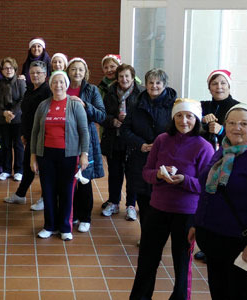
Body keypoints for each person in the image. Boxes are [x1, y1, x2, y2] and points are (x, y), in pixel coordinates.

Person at [193, 104, 247, 300]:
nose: (236, 127)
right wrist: (196, 223)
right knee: (219, 292)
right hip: (213, 238)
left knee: (241, 295)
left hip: (241, 243)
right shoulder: (224, 150)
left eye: (244, 123)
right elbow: (207, 192)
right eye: (231, 123)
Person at [129, 98, 214, 300]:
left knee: (182, 263)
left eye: (189, 116)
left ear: (197, 119)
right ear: (173, 117)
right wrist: (158, 175)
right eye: (179, 115)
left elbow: (207, 185)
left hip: (186, 214)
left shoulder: (204, 147)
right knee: (147, 260)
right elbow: (146, 172)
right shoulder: (162, 140)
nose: (184, 121)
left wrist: (184, 180)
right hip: (157, 208)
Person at [30, 71, 90, 241]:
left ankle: (65, 226)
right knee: (48, 190)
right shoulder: (43, 105)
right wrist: (33, 157)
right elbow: (35, 132)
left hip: (69, 155)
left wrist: (84, 155)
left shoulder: (75, 105)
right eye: (55, 82)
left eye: (61, 82)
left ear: (66, 84)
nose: (58, 85)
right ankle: (49, 226)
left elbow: (84, 132)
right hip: (46, 154)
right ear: (50, 85)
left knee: (66, 191)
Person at [193, 69, 240, 262]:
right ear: (209, 87)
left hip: (228, 163)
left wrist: (222, 131)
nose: (219, 87)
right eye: (214, 84)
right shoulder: (203, 106)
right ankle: (206, 243)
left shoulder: (237, 108)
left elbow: (243, 135)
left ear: (229, 86)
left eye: (222, 83)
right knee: (205, 200)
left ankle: (222, 242)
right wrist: (201, 122)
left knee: (222, 200)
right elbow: (191, 127)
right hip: (206, 161)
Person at [121, 68, 177, 227]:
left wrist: (162, 145)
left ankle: (160, 233)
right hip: (141, 157)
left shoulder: (174, 105)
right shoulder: (135, 103)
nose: (154, 86)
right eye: (150, 82)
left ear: (164, 84)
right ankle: (146, 234)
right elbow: (125, 129)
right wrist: (141, 145)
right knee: (144, 198)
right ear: (145, 84)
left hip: (165, 157)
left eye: (158, 82)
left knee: (162, 199)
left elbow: (179, 131)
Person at [66, 58, 106, 233]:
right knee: (69, 178)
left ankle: (85, 217)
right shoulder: (62, 87)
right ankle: (73, 213)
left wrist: (85, 105)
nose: (76, 73)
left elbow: (101, 115)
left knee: (84, 178)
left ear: (85, 72)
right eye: (73, 69)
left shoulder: (92, 90)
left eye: (80, 70)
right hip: (66, 139)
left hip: (86, 140)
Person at [4, 61, 51, 206]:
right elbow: (26, 114)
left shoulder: (48, 91)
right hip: (30, 135)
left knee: (43, 168)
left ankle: (45, 198)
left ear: (45, 74)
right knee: (28, 165)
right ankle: (20, 194)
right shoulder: (30, 89)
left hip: (43, 136)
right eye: (32, 73)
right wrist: (24, 134)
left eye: (38, 73)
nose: (35, 75)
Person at [100, 64, 143, 220]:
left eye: (127, 76)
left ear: (132, 77)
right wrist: (113, 121)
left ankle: (131, 205)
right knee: (115, 173)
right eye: (121, 76)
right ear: (117, 78)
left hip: (132, 141)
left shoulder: (141, 93)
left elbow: (143, 117)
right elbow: (103, 114)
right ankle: (113, 202)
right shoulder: (110, 92)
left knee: (132, 174)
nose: (124, 79)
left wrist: (129, 120)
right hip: (114, 139)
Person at [0, 57, 27, 181]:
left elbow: (23, 99)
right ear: (1, 71)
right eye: (5, 68)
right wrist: (4, 113)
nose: (8, 70)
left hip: (17, 119)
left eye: (10, 68)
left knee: (18, 145)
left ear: (15, 68)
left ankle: (19, 170)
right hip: (3, 119)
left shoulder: (20, 82)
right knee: (6, 145)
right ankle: (7, 169)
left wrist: (11, 113)